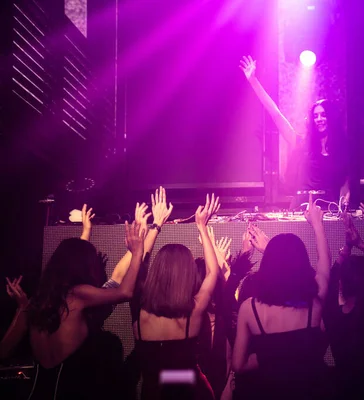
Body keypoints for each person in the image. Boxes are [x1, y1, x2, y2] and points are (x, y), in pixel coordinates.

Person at [5, 222, 145, 400]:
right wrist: (137, 252)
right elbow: (125, 292)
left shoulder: (35, 303)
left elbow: (4, 351)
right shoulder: (78, 294)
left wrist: (21, 308)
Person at [231, 193, 332, 399]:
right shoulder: (314, 304)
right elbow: (324, 264)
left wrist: (272, 356)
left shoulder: (250, 309)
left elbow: (238, 365)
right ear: (302, 264)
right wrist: (317, 224)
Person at [131, 193, 221, 400]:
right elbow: (212, 273)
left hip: (153, 393)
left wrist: (157, 225)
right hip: (190, 392)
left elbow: (140, 265)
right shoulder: (194, 311)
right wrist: (202, 227)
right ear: (187, 274)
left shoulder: (139, 310)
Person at [239, 55, 350, 208]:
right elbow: (275, 114)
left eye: (323, 115)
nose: (319, 119)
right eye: (316, 115)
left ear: (331, 118)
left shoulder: (340, 149)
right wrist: (253, 81)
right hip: (302, 207)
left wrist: (346, 194)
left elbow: (345, 179)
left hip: (328, 208)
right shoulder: (301, 142)